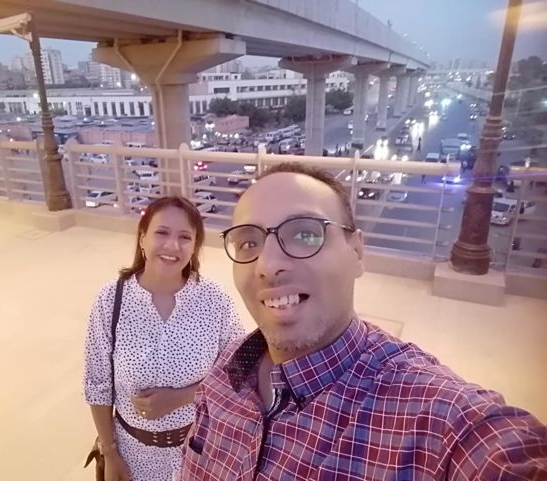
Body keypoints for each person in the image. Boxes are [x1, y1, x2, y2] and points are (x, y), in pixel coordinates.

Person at [179, 163, 547, 480]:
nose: (268, 265)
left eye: (305, 234)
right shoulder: (226, 371)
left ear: (356, 252)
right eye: (248, 243)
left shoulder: (435, 419)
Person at [84, 196, 245, 481]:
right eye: (162, 233)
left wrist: (182, 397)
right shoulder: (111, 299)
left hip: (200, 451)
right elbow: (97, 385)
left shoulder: (215, 300)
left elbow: (240, 372)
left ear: (195, 246)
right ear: (142, 239)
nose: (172, 246)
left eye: (185, 237)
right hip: (132, 455)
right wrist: (110, 453)